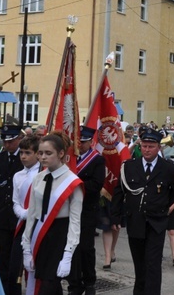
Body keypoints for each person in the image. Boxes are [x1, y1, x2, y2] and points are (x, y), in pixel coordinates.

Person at [111, 126, 174, 295]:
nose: (147, 149)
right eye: (144, 146)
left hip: (156, 223)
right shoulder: (129, 167)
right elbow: (119, 192)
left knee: (153, 264)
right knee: (139, 264)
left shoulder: (168, 168)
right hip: (135, 221)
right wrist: (115, 217)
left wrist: (168, 215)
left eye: (151, 146)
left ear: (159, 147)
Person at [22, 133, 84, 295]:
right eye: (40, 153)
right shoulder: (39, 178)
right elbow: (32, 214)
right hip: (40, 234)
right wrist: (26, 246)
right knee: (47, 284)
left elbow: (75, 221)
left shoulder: (72, 182)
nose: (43, 157)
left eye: (48, 153)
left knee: (48, 286)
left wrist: (68, 253)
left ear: (61, 154)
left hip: (60, 235)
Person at [67, 126, 106, 295]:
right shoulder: (70, 158)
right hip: (69, 208)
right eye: (78, 141)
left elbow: (96, 184)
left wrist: (75, 185)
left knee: (86, 247)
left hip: (87, 209)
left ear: (90, 142)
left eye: (83, 142)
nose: (80, 145)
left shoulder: (97, 160)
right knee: (71, 247)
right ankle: (74, 283)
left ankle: (89, 281)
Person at [0, 125, 24, 289]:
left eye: (11, 141)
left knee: (16, 254)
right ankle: (1, 286)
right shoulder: (1, 158)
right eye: (5, 141)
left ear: (18, 139)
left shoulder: (24, 158)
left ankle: (14, 287)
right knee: (3, 252)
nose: (7, 145)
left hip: (19, 214)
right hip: (3, 212)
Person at [8, 135, 41, 295]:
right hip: (22, 224)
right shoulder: (17, 176)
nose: (23, 156)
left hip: (38, 226)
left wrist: (33, 214)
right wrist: (24, 213)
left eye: (28, 152)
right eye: (21, 152)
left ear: (37, 154)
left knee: (35, 267)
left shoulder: (42, 175)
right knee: (15, 268)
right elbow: (15, 202)